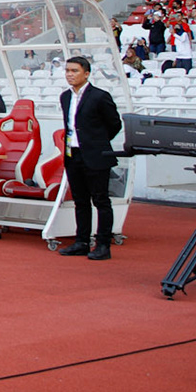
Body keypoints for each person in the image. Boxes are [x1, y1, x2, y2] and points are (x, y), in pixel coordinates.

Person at [56, 56, 121, 260]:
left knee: (101, 200)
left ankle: (103, 244)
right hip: (73, 154)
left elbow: (114, 124)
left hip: (96, 155)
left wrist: (96, 142)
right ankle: (81, 241)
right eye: (67, 70)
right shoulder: (65, 97)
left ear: (86, 73)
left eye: (74, 71)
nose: (70, 74)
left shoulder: (100, 96)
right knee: (80, 201)